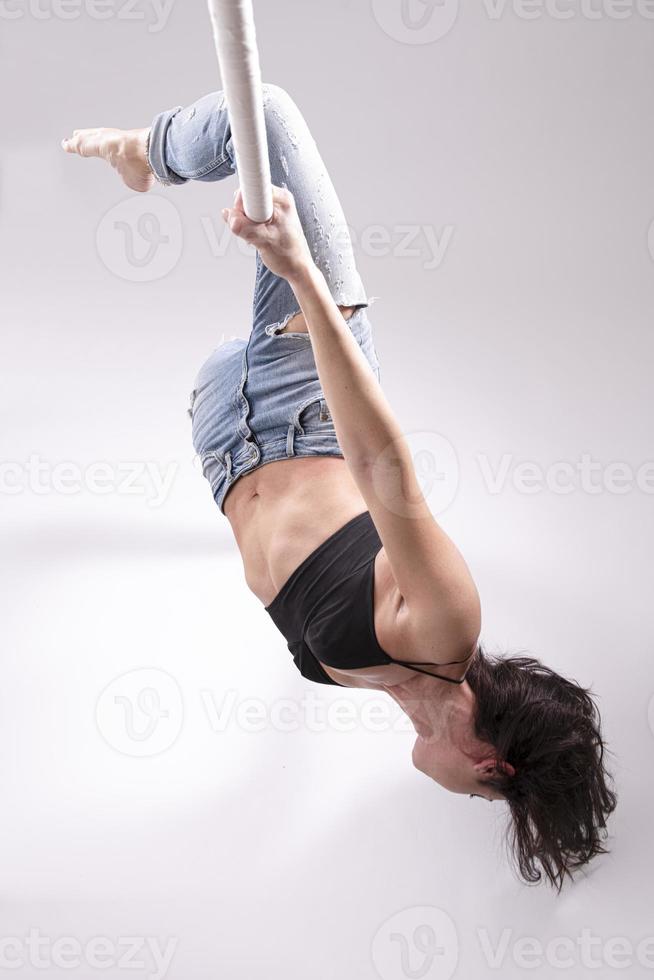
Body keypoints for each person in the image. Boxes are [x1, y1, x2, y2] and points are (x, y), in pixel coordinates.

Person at [62, 84, 616, 888]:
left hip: (226, 435)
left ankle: (156, 162)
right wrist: (303, 278)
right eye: (483, 797)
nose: (465, 797)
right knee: (267, 117)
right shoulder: (447, 629)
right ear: (492, 765)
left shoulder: (393, 684)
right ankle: (147, 150)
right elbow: (385, 470)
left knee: (268, 136)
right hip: (304, 393)